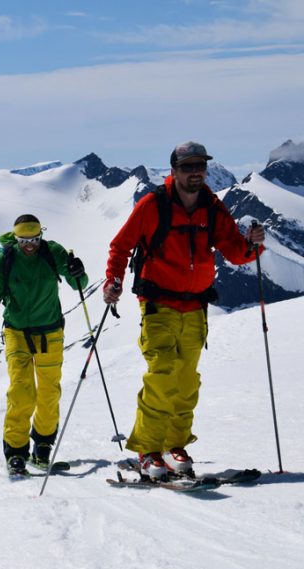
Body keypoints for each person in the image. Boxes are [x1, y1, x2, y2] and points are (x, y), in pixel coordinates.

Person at [103, 141, 265, 480]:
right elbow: (121, 245)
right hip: (158, 305)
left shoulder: (211, 207)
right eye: (188, 166)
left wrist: (254, 245)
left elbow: (236, 252)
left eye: (200, 166)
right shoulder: (153, 205)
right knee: (162, 373)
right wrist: (113, 280)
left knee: (186, 380)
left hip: (195, 307)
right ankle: (148, 450)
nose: (196, 172)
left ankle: (175, 445)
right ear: (174, 171)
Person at [0, 214, 88, 476]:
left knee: (49, 393)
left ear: (42, 235)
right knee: (21, 390)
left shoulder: (53, 252)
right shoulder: (6, 258)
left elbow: (78, 285)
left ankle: (43, 445)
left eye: (35, 239)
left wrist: (78, 272)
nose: (30, 245)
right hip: (16, 331)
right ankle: (16, 451)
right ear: (16, 238)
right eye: (24, 240)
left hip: (50, 332)